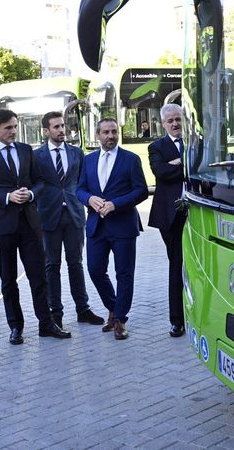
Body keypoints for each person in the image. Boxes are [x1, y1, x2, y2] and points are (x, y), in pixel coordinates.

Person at [0, 108, 71, 345]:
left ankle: (46, 324)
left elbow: (39, 182)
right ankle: (15, 327)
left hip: (30, 223)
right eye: (8, 128)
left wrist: (31, 195)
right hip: (3, 225)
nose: (13, 131)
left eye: (15, 126)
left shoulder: (25, 151)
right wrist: (7, 197)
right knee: (8, 279)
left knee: (38, 276)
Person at [76, 118, 148, 340]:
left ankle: (120, 320)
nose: (110, 136)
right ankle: (115, 308)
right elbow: (79, 189)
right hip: (96, 226)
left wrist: (116, 204)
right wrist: (90, 199)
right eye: (106, 132)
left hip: (124, 225)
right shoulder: (88, 161)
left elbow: (141, 191)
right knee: (95, 270)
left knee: (124, 274)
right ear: (97, 135)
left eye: (114, 132)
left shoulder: (131, 159)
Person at [32, 111, 104, 329]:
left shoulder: (76, 153)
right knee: (51, 265)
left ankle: (82, 309)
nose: (62, 130)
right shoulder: (37, 156)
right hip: (48, 215)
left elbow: (84, 182)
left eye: (63, 126)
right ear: (46, 131)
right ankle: (56, 313)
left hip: (74, 214)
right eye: (56, 127)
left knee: (76, 263)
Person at [148, 104, 188, 338]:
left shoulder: (196, 143)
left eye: (178, 119)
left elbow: (202, 169)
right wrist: (185, 163)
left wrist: (177, 164)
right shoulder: (157, 147)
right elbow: (160, 173)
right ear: (163, 123)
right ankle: (177, 320)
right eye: (170, 120)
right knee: (176, 265)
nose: (175, 124)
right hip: (171, 217)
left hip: (197, 213)